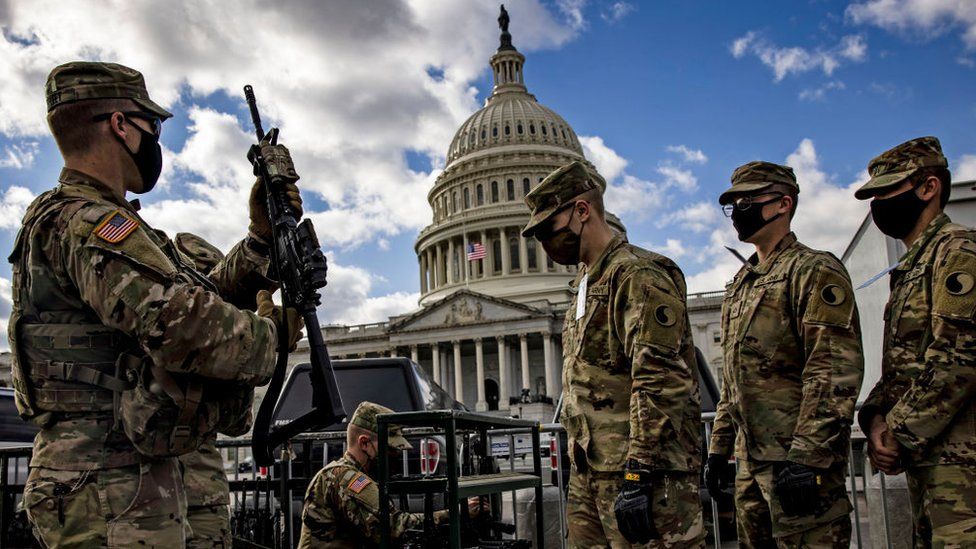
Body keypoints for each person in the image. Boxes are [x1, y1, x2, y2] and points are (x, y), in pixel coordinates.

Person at [7, 61, 304, 547]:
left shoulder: (104, 223)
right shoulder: (87, 223)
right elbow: (178, 323)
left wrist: (259, 240)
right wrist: (272, 336)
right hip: (104, 480)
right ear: (120, 125)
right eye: (154, 126)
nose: (157, 141)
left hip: (121, 476)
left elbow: (197, 292)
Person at [521, 161, 704, 547]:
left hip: (643, 473)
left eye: (548, 229)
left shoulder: (638, 275)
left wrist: (639, 470)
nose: (545, 244)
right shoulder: (585, 286)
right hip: (592, 473)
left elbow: (659, 379)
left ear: (582, 212)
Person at [704, 161, 864, 548]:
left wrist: (807, 457)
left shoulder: (813, 270)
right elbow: (734, 382)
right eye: (734, 202)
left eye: (749, 199)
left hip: (799, 464)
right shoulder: (740, 285)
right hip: (751, 466)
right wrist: (718, 450)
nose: (739, 209)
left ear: (783, 204)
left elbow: (832, 371)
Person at [854, 136, 976, 548]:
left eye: (888, 192)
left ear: (928, 187)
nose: (879, 205)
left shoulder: (957, 252)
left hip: (963, 469)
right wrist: (874, 420)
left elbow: (958, 359)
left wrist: (897, 430)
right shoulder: (911, 267)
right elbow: (900, 369)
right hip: (931, 464)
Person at [173, 232, 265, 549]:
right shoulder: (175, 333)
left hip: (200, 488)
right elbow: (237, 423)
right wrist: (263, 341)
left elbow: (238, 422)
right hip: (169, 488)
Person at [298, 401, 484, 547]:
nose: (394, 455)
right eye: (389, 449)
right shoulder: (345, 479)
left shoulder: (344, 473)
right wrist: (455, 513)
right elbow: (396, 527)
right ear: (364, 443)